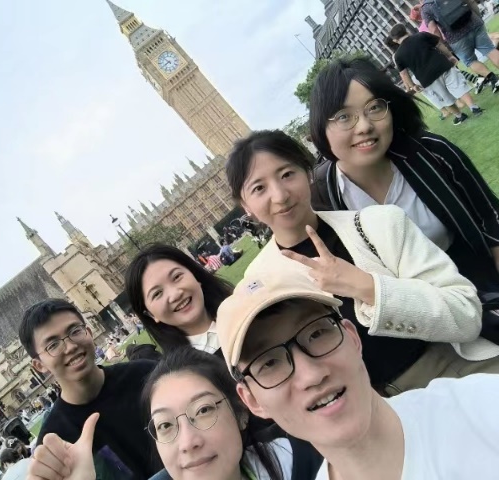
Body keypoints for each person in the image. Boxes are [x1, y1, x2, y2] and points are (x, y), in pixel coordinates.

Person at [226, 128, 499, 395]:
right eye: (259, 188)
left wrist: (369, 288)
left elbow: (467, 314)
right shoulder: (260, 283)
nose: (280, 195)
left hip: (449, 368)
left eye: (287, 174)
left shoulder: (379, 224)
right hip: (363, 408)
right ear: (246, 206)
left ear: (308, 173)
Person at [215, 265, 499, 479]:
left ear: (352, 337)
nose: (311, 375)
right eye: (269, 363)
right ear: (252, 400)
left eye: (316, 334)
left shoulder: (481, 408)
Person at [308, 57, 499, 315]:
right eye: (344, 116)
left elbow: (490, 217)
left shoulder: (430, 153)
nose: (364, 126)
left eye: (374, 107)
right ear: (321, 127)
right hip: (405, 321)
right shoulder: (323, 198)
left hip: (480, 292)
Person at [26, 347, 326, 480]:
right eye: (166, 425)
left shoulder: (302, 459)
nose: (188, 442)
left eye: (203, 410)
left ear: (241, 412)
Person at [18, 298, 158, 479]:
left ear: (89, 332)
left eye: (75, 331)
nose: (70, 347)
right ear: (39, 365)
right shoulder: (54, 443)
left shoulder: (147, 375)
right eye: (53, 345)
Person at [125, 243, 233, 355]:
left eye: (176, 277)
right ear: (150, 314)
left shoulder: (242, 304)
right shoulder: (187, 365)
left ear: (194, 274)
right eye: (157, 293)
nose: (175, 295)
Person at [390, 24, 483, 125]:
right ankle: (474, 107)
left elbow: (404, 73)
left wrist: (413, 85)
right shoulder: (421, 35)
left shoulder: (398, 56)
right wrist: (450, 56)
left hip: (427, 78)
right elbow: (439, 45)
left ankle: (459, 116)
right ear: (406, 30)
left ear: (395, 40)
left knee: (444, 98)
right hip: (442, 65)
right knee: (459, 87)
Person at [422, 0, 499, 93]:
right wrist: (478, 17)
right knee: (490, 49)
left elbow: (434, 30)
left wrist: (443, 45)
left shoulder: (426, 7)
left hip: (455, 38)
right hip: (474, 23)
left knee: (470, 61)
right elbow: (471, 2)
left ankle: (493, 78)